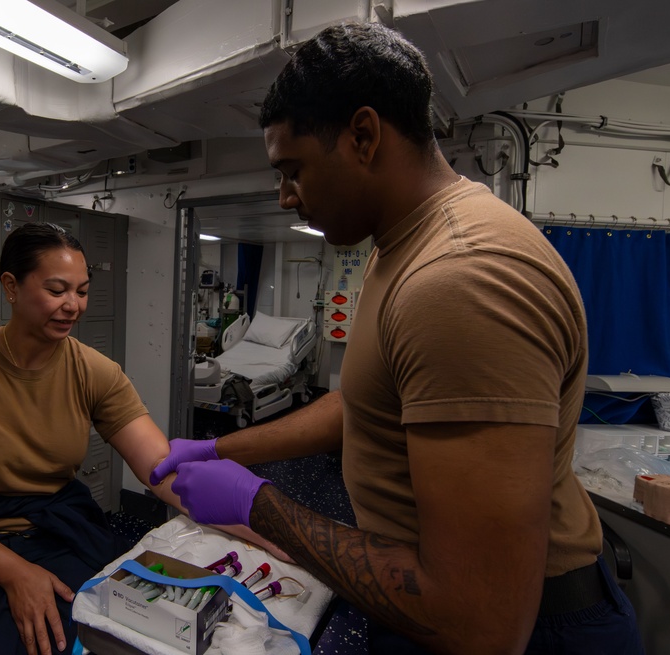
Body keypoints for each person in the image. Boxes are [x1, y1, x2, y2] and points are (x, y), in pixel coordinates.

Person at [150, 21, 644, 655]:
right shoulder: (402, 247)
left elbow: (482, 623)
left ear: (363, 135)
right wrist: (225, 452)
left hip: (519, 628)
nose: (283, 197)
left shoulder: (459, 279)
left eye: (293, 169)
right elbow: (364, 404)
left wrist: (260, 507)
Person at [0, 222, 280, 655]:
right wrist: (16, 572)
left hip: (56, 531)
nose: (73, 306)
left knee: (109, 633)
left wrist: (272, 529)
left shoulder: (95, 372)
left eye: (82, 291)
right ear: (10, 287)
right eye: (57, 290)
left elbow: (164, 472)